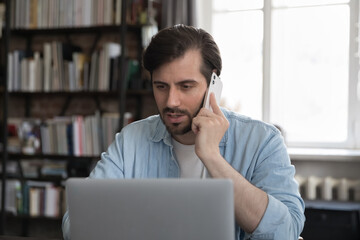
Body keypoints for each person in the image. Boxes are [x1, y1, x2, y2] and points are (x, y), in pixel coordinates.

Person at [62, 24, 305, 240]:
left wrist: (212, 157)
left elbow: (285, 232)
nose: (172, 101)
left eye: (186, 86)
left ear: (213, 85)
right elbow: (76, 225)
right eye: (161, 86)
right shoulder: (131, 140)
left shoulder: (263, 140)